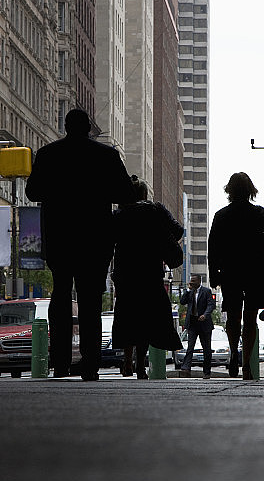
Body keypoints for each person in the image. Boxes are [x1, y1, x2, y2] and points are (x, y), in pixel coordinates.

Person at [25, 109, 135, 381]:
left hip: (60, 234)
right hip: (95, 237)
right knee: (90, 301)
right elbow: (126, 194)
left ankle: (60, 362)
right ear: (89, 128)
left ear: (65, 126)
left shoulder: (49, 154)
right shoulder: (107, 155)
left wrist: (58, 191)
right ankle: (90, 364)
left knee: (60, 292)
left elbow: (32, 192)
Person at [111, 176, 184, 379]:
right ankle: (140, 365)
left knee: (127, 316)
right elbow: (178, 230)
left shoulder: (119, 214)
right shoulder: (156, 210)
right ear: (145, 194)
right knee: (145, 318)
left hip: (125, 274)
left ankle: (127, 361)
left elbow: (108, 238)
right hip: (150, 272)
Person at [208, 172, 264, 380]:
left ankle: (232, 354)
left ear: (230, 191)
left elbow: (213, 248)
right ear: (250, 191)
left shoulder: (221, 216)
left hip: (231, 271)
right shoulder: (260, 213)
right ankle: (246, 362)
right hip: (255, 271)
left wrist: (214, 276)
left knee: (234, 316)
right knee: (250, 317)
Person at [179, 275, 216, 378]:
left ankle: (206, 372)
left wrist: (205, 314)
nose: (191, 283)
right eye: (191, 281)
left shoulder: (206, 291)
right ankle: (186, 369)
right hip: (192, 324)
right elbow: (182, 302)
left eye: (194, 281)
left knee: (206, 349)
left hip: (204, 324)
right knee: (190, 347)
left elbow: (211, 305)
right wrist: (187, 290)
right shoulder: (190, 292)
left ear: (199, 281)